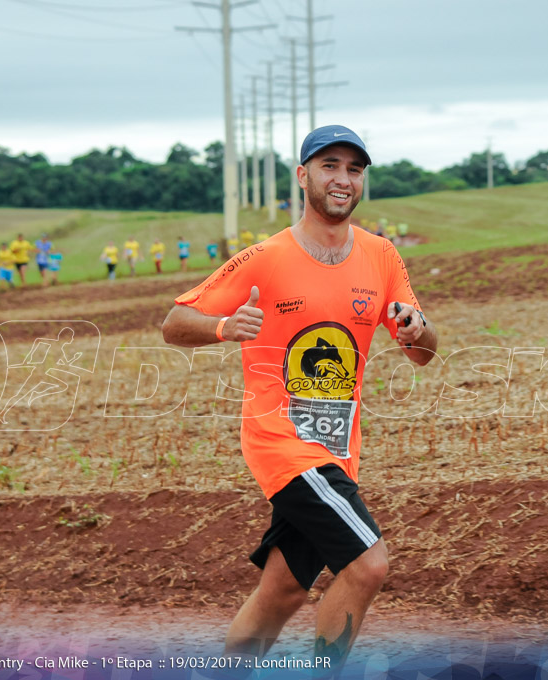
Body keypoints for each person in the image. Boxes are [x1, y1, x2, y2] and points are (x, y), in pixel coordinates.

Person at [161, 125, 438, 670]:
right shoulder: (265, 257)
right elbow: (175, 322)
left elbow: (424, 349)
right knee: (367, 565)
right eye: (330, 165)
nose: (343, 178)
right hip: (281, 442)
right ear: (303, 174)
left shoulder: (382, 257)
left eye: (354, 169)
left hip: (338, 449)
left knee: (283, 592)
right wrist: (223, 327)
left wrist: (416, 331)